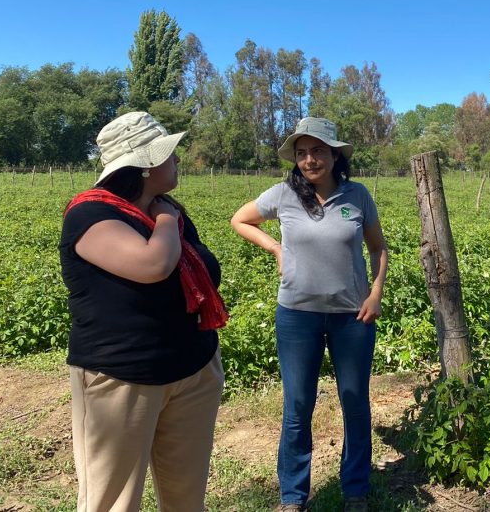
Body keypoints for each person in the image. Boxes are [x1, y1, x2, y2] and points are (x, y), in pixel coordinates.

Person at [60, 111, 228, 511]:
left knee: (186, 500)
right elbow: (154, 265)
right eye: (170, 154)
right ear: (147, 164)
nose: (177, 160)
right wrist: (167, 220)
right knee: (111, 503)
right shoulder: (92, 215)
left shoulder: (164, 208)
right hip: (122, 380)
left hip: (193, 370)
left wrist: (168, 215)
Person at [231, 117, 388, 512]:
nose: (309, 160)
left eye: (317, 150)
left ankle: (355, 489)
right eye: (301, 153)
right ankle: (293, 496)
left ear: (335, 154)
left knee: (354, 401)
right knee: (298, 405)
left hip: (352, 317)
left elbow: (378, 249)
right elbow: (240, 219)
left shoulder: (358, 196)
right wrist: (276, 249)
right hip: (297, 316)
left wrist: (376, 291)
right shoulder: (284, 194)